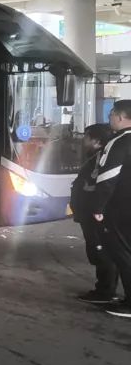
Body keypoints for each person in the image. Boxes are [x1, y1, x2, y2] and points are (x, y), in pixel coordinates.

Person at [91, 100, 131, 318]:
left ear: (121, 117)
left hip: (121, 207)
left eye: (112, 114)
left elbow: (107, 177)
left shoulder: (120, 141)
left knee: (122, 253)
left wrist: (98, 207)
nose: (110, 118)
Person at [71, 123, 119, 304]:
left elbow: (98, 186)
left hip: (94, 214)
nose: (83, 141)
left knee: (101, 250)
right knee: (98, 250)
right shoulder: (97, 157)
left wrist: (95, 208)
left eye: (86, 137)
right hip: (90, 213)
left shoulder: (101, 159)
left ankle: (105, 292)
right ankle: (104, 288)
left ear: (97, 141)